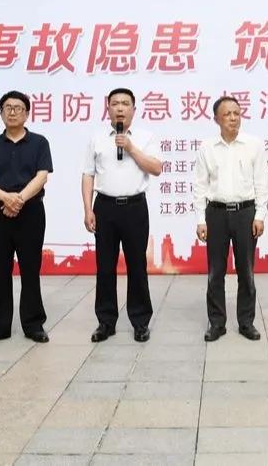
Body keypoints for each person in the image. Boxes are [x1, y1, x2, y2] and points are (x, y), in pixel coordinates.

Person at [82, 88, 162, 343]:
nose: (119, 108)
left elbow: (156, 168)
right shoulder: (97, 138)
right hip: (104, 207)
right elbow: (88, 174)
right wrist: (88, 209)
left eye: (125, 103)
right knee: (105, 266)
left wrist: (131, 147)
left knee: (137, 265)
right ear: (107, 108)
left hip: (135, 208)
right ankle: (106, 322)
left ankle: (140, 322)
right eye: (115, 103)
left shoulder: (146, 137)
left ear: (133, 110)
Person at [0, 91, 53, 345]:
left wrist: (18, 200)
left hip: (31, 212)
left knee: (30, 269)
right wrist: (5, 198)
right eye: (7, 107)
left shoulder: (39, 142)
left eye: (18, 108)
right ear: (1, 113)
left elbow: (42, 176)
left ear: (27, 113)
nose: (12, 112)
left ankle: (33, 324)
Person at [192, 96, 268, 342]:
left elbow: (262, 183)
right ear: (216, 119)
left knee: (246, 271)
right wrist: (200, 219)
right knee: (216, 272)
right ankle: (217, 323)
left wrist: (260, 215)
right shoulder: (207, 147)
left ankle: (246, 322)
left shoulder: (254, 145)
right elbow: (199, 185)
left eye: (237, 113)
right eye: (227, 114)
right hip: (215, 214)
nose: (233, 118)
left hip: (246, 213)